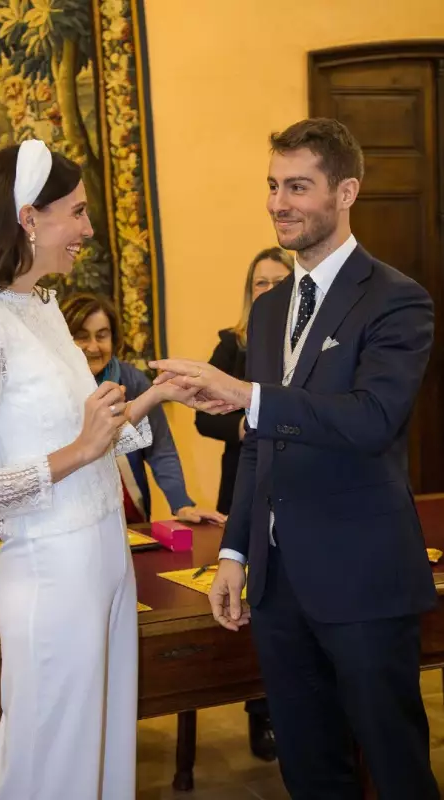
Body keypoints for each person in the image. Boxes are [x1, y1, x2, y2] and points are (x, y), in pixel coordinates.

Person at [150, 118, 440, 799]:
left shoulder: (397, 298)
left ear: (345, 191)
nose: (279, 202)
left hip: (363, 581)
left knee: (396, 769)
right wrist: (234, 554)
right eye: (273, 186)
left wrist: (245, 393)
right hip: (277, 590)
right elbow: (259, 446)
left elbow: (371, 420)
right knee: (308, 772)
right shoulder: (272, 306)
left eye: (298, 187)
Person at [0, 139, 197, 800]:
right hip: (52, 574)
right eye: (76, 213)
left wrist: (154, 397)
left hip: (104, 558)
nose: (86, 228)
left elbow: (82, 435)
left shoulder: (46, 311)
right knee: (53, 759)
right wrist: (80, 450)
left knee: (100, 751)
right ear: (29, 217)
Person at [195, 247, 293, 762]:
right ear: (249, 289)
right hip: (242, 485)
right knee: (250, 602)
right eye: (261, 283)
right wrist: (245, 424)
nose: (270, 290)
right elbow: (201, 415)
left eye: (280, 281)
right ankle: (261, 713)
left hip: (292, 493)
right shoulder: (232, 344)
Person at [61, 292, 225, 527]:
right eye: (82, 337)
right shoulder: (50, 387)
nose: (93, 347)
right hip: (68, 515)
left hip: (128, 517)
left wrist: (181, 504)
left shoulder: (133, 381)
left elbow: (160, 448)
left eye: (102, 335)